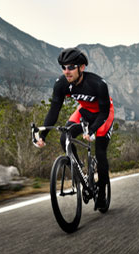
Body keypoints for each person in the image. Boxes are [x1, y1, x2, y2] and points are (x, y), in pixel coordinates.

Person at [36, 47, 114, 210]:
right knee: (65, 136)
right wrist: (43, 134)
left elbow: (104, 112)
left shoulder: (98, 84)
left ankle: (101, 195)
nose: (66, 71)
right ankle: (78, 168)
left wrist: (91, 130)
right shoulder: (62, 84)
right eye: (63, 67)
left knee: (100, 153)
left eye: (71, 67)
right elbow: (54, 110)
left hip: (103, 115)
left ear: (81, 68)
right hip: (84, 111)